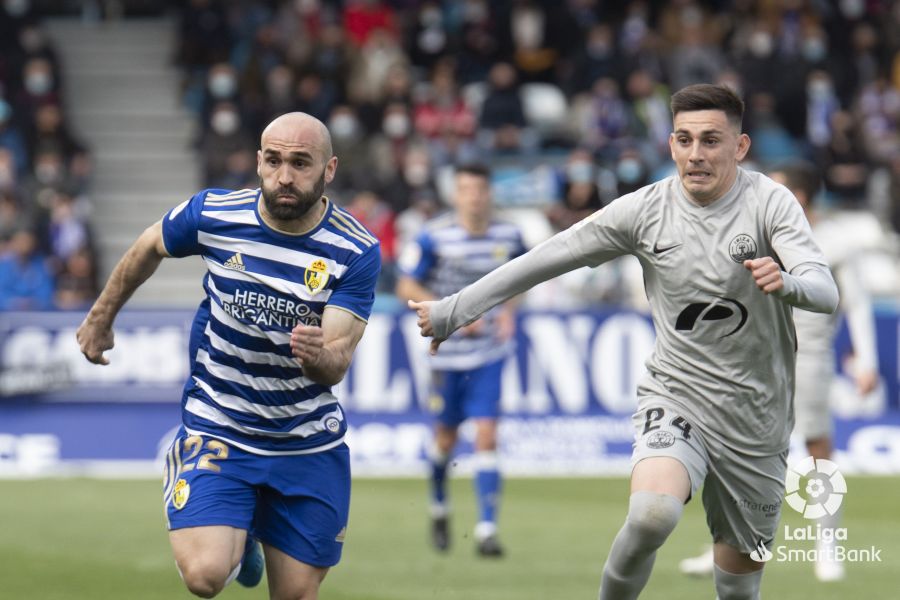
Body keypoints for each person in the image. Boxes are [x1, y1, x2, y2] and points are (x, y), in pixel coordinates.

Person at [409, 84, 839, 600]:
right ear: (671, 143)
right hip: (676, 393)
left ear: (740, 147)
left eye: (710, 141)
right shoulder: (645, 210)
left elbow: (824, 289)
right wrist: (454, 310)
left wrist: (788, 282)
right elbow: (549, 256)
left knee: (738, 590)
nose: (695, 154)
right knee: (652, 515)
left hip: (758, 417)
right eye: (684, 140)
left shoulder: (771, 203)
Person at [76, 112, 381, 600]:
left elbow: (339, 358)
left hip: (304, 438)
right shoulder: (215, 214)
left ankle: (255, 525)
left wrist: (316, 355)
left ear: (329, 169)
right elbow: (150, 243)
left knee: (296, 594)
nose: (284, 176)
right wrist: (100, 318)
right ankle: (230, 517)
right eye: (275, 161)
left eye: (301, 163)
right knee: (205, 576)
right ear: (259, 161)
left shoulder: (355, 249)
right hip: (221, 422)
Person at [679, 160, 878, 583]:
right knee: (733, 449)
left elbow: (857, 303)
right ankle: (726, 545)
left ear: (801, 197)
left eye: (780, 189)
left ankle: (828, 546)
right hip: (754, 354)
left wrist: (868, 361)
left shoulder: (835, 241)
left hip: (810, 353)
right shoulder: (759, 233)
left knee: (818, 444)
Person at [396, 163, 525, 557]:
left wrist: (508, 310)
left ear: (489, 193)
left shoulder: (509, 235)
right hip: (446, 357)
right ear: (456, 195)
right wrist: (450, 314)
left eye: (480, 189)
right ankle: (439, 506)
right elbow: (405, 283)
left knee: (487, 435)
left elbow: (523, 277)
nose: (474, 196)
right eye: (466, 189)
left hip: (488, 355)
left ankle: (486, 531)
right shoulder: (435, 236)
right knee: (445, 441)